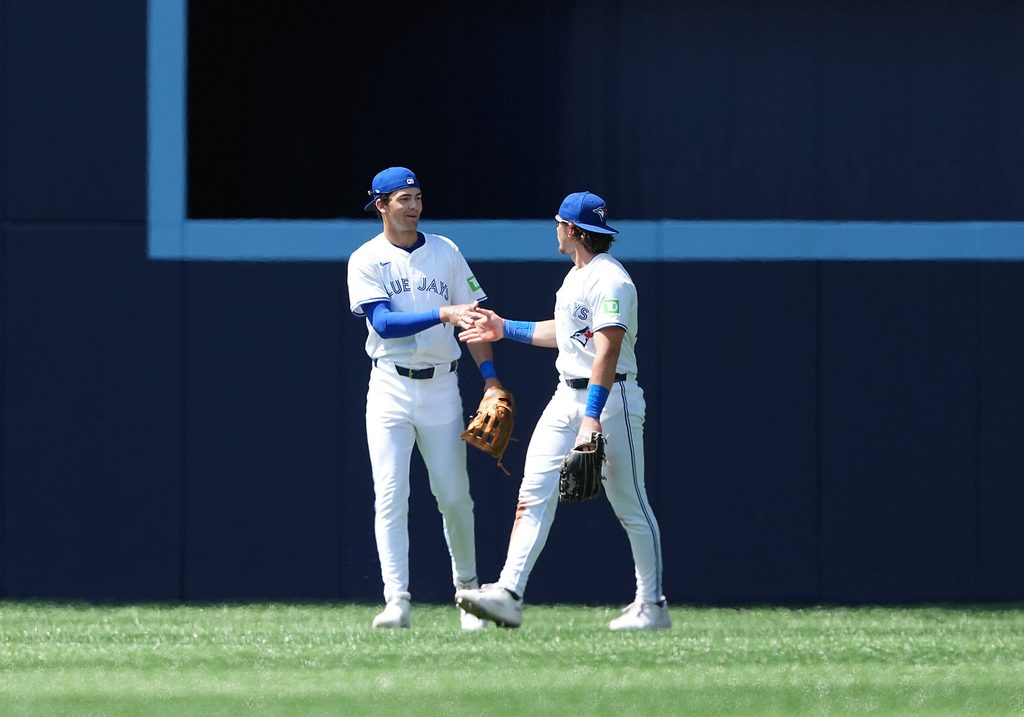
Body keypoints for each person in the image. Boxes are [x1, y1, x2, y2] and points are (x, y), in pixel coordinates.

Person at [454, 191, 670, 631]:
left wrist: (591, 418)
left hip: (611, 400)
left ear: (571, 230)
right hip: (564, 395)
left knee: (631, 504)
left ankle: (652, 605)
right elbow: (569, 333)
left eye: (558, 223)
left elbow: (607, 352)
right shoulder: (577, 275)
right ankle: (509, 593)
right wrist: (503, 328)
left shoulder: (611, 280)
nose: (555, 229)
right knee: (533, 491)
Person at [347, 166, 503, 631]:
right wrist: (442, 311)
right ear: (381, 204)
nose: (413, 206)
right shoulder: (365, 258)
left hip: (440, 386)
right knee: (391, 495)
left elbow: (472, 322)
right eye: (402, 199)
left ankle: (470, 594)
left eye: (417, 197)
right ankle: (397, 599)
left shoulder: (446, 251)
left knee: (454, 496)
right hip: (390, 386)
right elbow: (383, 324)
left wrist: (491, 380)